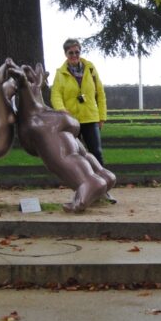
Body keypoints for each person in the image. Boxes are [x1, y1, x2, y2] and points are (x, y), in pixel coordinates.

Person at [50, 38, 115, 203]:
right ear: (65, 54)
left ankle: (104, 189)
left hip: (90, 118)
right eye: (71, 52)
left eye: (77, 52)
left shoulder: (90, 69)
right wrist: (61, 111)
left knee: (96, 153)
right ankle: (82, 189)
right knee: (76, 157)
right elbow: (56, 94)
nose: (74, 55)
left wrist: (102, 116)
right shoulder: (60, 73)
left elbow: (100, 93)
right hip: (71, 122)